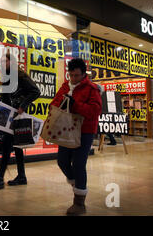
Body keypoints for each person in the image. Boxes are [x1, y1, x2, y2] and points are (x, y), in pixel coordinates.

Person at [50, 58, 102, 215]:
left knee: (79, 164)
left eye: (76, 75)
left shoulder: (92, 89)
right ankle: (77, 184)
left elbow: (95, 111)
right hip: (66, 129)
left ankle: (79, 202)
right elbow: (55, 102)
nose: (73, 78)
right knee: (62, 161)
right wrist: (55, 106)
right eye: (71, 75)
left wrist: (75, 105)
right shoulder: (65, 86)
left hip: (85, 131)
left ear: (83, 74)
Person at [0, 52, 40, 189]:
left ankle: (0, 178)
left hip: (16, 115)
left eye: (6, 61)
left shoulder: (19, 75)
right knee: (16, 146)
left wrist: (23, 105)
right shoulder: (7, 76)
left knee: (7, 146)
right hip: (8, 115)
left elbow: (35, 91)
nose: (3, 64)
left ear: (12, 62)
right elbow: (5, 97)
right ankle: (21, 176)